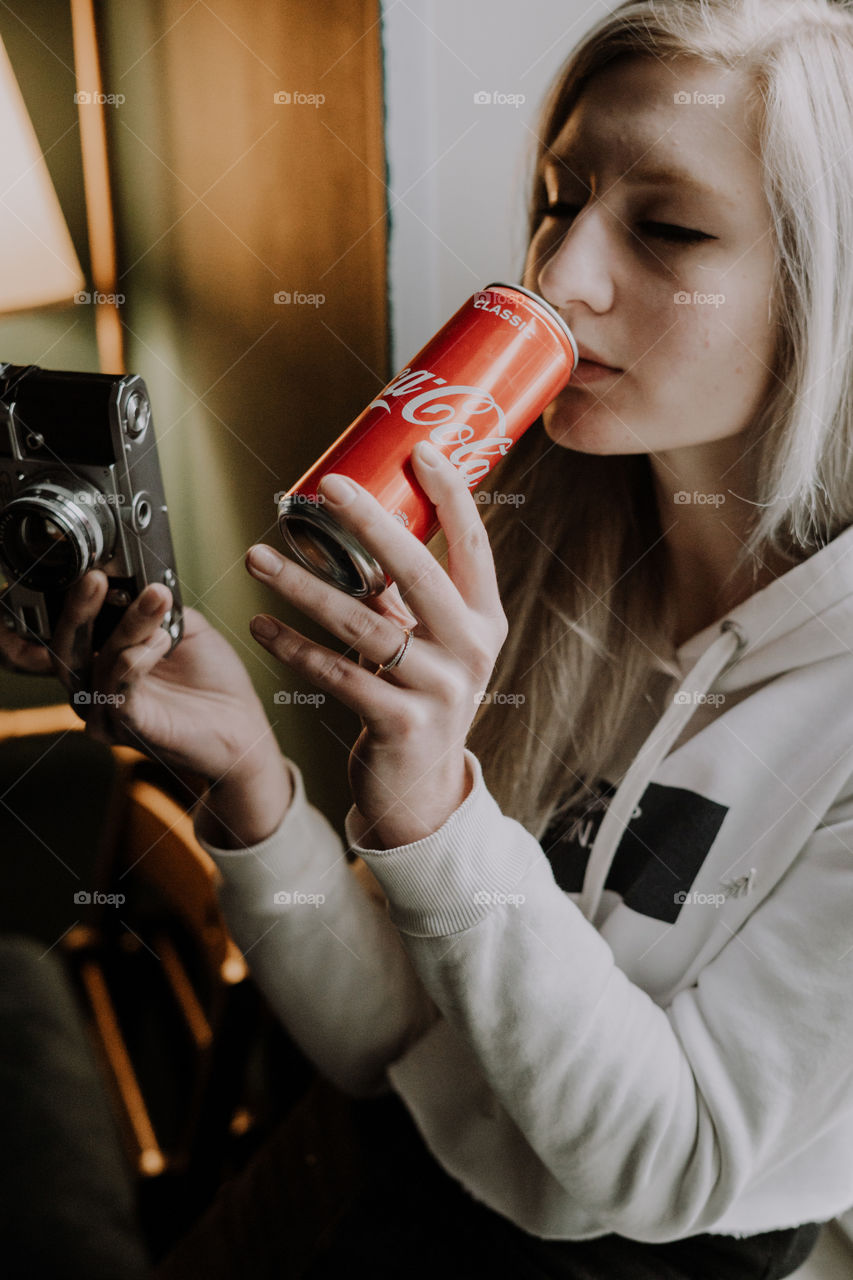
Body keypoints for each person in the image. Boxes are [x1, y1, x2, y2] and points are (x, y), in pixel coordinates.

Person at [4, 0, 853, 1274]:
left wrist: (437, 816)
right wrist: (249, 781)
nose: (554, 277)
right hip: (380, 1195)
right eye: (558, 201)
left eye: (667, 226)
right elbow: (391, 1043)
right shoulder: (547, 580)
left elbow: (667, 1166)